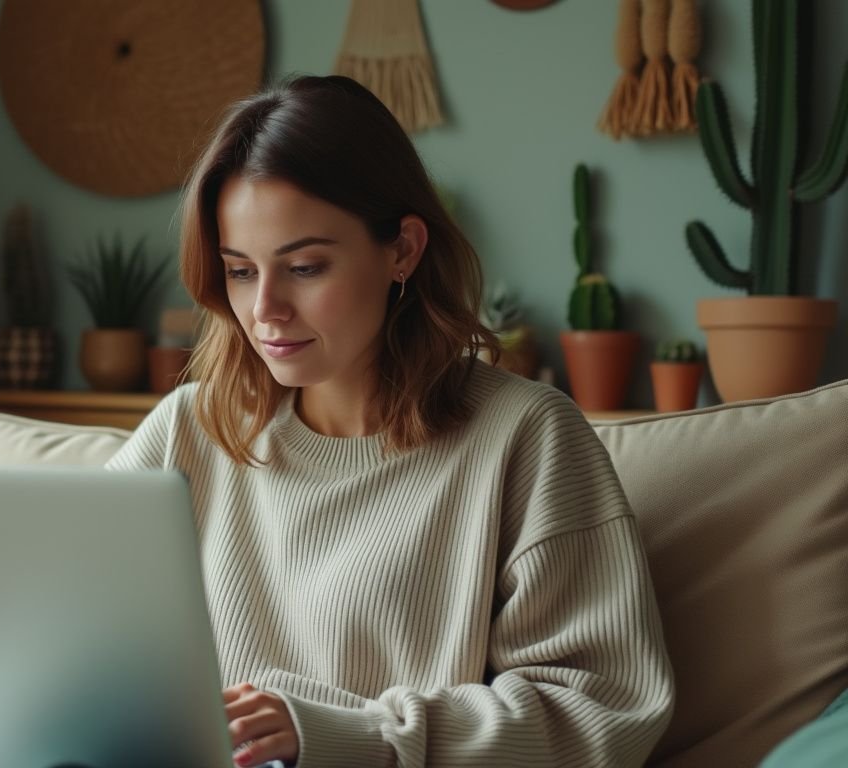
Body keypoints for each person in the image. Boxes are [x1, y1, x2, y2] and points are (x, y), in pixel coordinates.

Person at [105, 75, 675, 767]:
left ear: (403, 249)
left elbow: (602, 709)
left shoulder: (528, 438)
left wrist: (348, 735)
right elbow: (61, 627)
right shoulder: (189, 429)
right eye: (240, 271)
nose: (265, 311)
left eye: (305, 267)